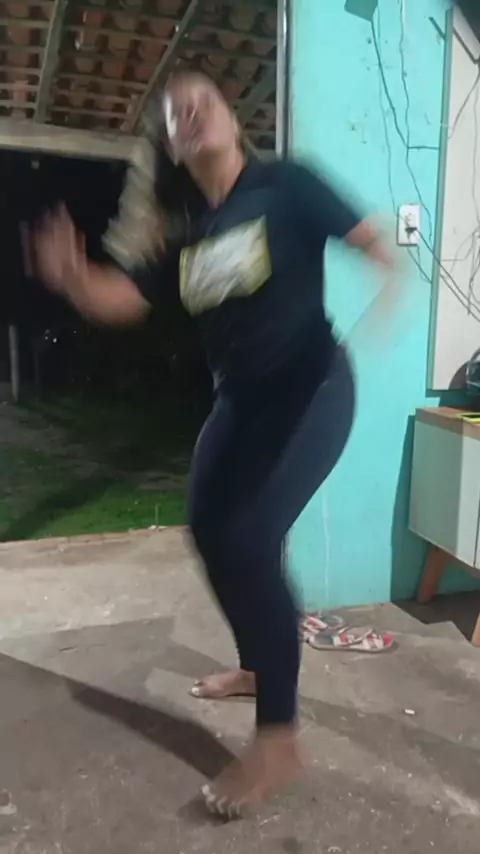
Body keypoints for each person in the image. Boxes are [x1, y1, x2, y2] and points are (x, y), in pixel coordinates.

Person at [29, 71, 397, 817]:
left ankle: (278, 739)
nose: (193, 112)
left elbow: (374, 244)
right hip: (240, 405)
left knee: (251, 542)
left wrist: (382, 298)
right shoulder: (186, 229)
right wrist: (74, 281)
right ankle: (259, 666)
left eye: (204, 101)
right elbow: (126, 299)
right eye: (177, 112)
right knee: (208, 528)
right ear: (170, 144)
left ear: (230, 118)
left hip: (311, 392)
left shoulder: (286, 186)